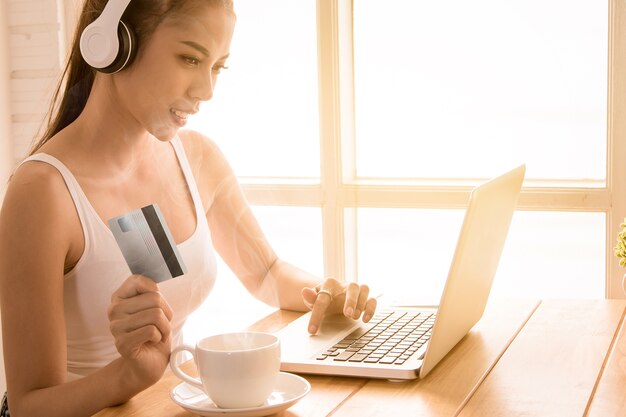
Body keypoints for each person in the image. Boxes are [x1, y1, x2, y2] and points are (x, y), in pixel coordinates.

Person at [0, 0, 377, 416]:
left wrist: (326, 296)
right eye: (190, 58)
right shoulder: (42, 193)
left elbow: (267, 273)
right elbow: (27, 406)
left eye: (218, 66)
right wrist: (128, 376)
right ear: (114, 45)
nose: (207, 90)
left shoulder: (196, 158)